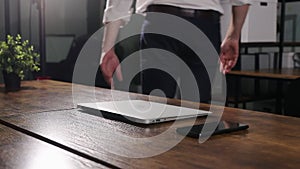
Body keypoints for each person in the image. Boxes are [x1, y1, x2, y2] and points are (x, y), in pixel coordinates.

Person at [100, 0, 250, 103]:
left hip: (161, 22)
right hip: (205, 25)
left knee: (156, 104)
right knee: (197, 108)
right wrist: (233, 35)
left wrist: (107, 48)